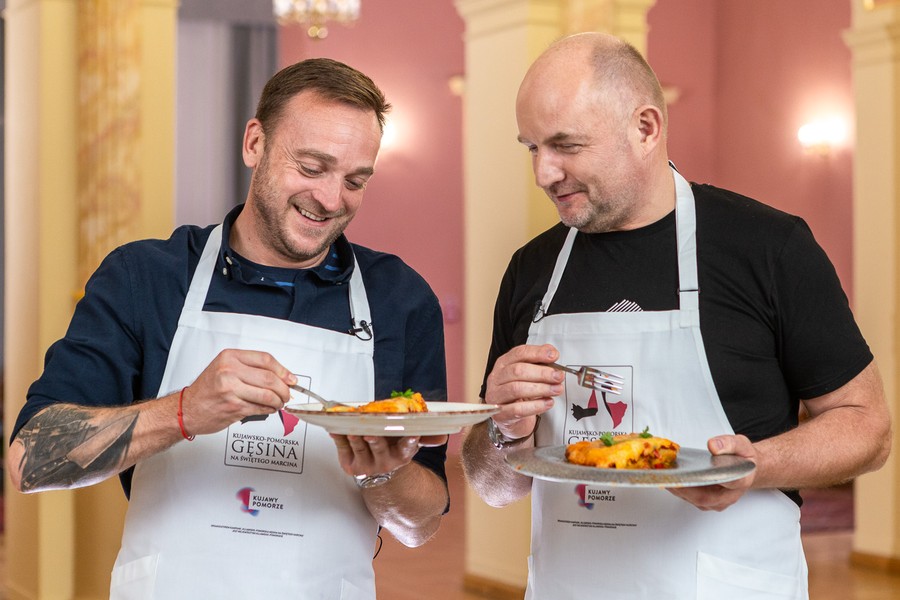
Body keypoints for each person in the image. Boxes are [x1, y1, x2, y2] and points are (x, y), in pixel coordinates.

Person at [461, 32, 892, 599]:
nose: (544, 173)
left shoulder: (768, 248)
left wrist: (756, 463)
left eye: (566, 145)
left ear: (646, 127)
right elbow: (494, 487)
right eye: (532, 148)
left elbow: (868, 427)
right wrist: (503, 431)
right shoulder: (531, 269)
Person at [7, 57, 450, 599]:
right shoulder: (146, 277)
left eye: (355, 180)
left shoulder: (400, 299)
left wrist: (383, 473)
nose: (332, 200)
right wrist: (184, 411)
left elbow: (421, 524)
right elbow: (32, 460)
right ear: (254, 143)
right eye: (312, 168)